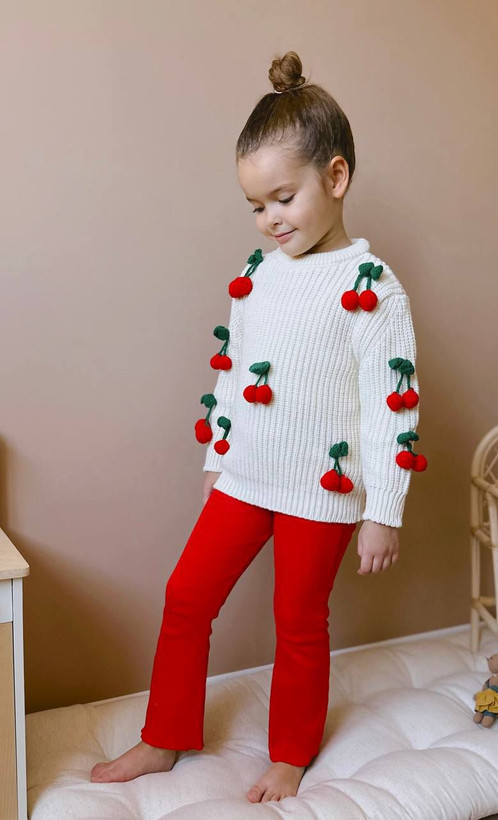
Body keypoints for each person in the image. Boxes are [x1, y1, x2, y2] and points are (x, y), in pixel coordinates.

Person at [91, 50, 425, 802]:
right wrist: (220, 450)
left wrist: (384, 510)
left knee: (298, 620)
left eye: (283, 198)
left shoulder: (373, 290)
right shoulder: (259, 274)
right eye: (256, 206)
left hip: (324, 489)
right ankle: (165, 734)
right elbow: (235, 368)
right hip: (247, 473)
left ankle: (291, 752)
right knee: (186, 596)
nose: (271, 219)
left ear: (335, 177)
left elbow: (392, 404)